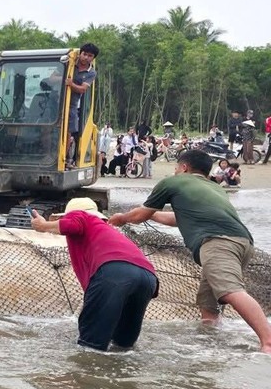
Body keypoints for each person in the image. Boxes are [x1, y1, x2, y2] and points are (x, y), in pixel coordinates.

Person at [109, 149, 271, 352]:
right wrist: (152, 215)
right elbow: (180, 219)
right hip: (243, 243)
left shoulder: (173, 182)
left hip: (217, 242)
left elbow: (140, 213)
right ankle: (212, 340)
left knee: (230, 290)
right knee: (207, 301)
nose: (175, 171)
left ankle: (267, 341)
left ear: (184, 167)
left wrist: (122, 218)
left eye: (176, 167)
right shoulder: (214, 188)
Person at [30, 198, 159, 350]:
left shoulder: (83, 217)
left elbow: (73, 223)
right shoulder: (106, 230)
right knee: (123, 345)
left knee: (90, 348)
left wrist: (43, 226)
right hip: (148, 278)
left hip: (115, 273)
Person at [65, 43, 98, 168]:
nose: (86, 58)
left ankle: (65, 158)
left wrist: (70, 84)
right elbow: (54, 77)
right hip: (58, 102)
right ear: (80, 53)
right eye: (84, 54)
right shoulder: (69, 64)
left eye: (90, 56)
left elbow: (82, 89)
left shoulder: (91, 73)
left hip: (72, 104)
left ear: (93, 58)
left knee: (68, 132)